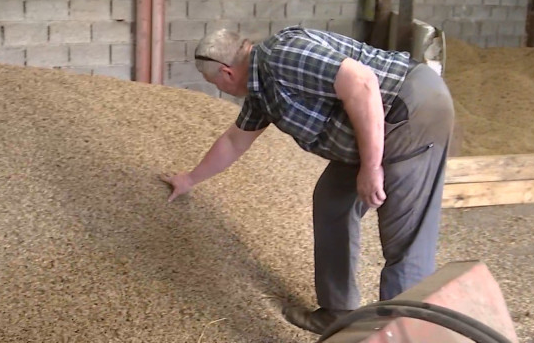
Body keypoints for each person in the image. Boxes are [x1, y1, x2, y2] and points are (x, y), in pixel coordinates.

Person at [160, 26, 454, 334]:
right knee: (332, 202)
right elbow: (234, 141)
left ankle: (403, 336)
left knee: (405, 240)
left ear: (226, 73)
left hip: (409, 109)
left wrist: (370, 166)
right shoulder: (262, 93)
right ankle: (338, 312)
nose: (219, 89)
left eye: (214, 83)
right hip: (368, 127)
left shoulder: (282, 56)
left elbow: (362, 82)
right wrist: (189, 179)